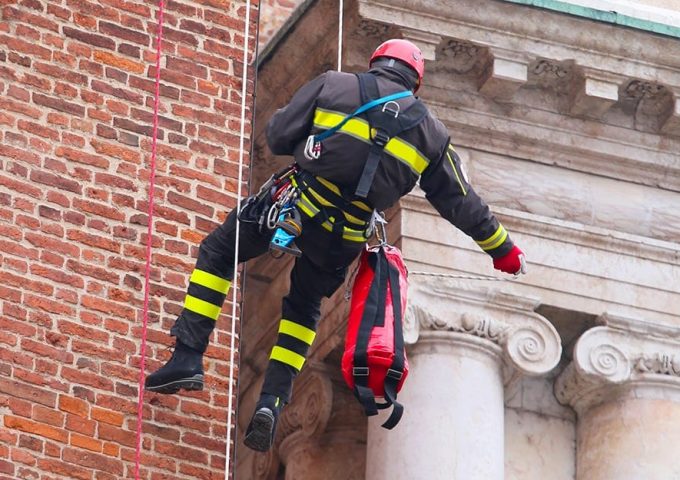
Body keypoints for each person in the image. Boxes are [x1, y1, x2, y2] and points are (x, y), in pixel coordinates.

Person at [144, 39, 527, 452]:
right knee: (303, 309)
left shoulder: (334, 86)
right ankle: (271, 402)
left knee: (219, 251)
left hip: (297, 206)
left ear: (376, 63)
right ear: (415, 84)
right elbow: (460, 200)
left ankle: (187, 355)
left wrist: (311, 146)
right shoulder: (431, 134)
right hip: (342, 239)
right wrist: (501, 248)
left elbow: (276, 136)